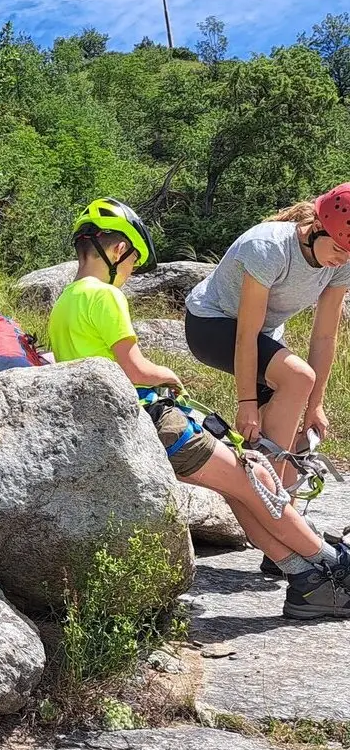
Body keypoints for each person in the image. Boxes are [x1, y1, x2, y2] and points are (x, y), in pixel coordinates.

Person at [47, 199, 350, 620]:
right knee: (256, 476)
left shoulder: (65, 302)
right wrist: (166, 374)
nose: (132, 271)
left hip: (122, 424)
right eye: (134, 262)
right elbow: (135, 368)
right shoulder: (107, 297)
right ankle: (333, 566)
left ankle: (304, 576)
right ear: (118, 253)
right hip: (155, 422)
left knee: (245, 479)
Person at [184, 189, 350, 461]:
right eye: (338, 249)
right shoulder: (269, 248)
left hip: (260, 334)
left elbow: (324, 337)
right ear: (317, 227)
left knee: (294, 437)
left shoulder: (343, 261)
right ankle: (266, 493)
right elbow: (246, 334)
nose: (343, 260)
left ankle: (273, 498)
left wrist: (315, 406)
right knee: (299, 377)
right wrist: (246, 403)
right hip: (211, 323)